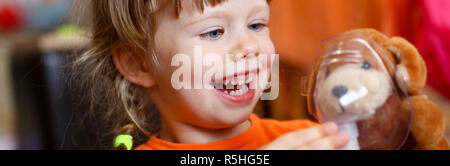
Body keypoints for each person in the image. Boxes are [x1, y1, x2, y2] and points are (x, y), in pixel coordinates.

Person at [72, 0, 350, 150]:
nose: (249, 47)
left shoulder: (315, 139)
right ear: (138, 64)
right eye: (214, 32)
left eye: (256, 25)